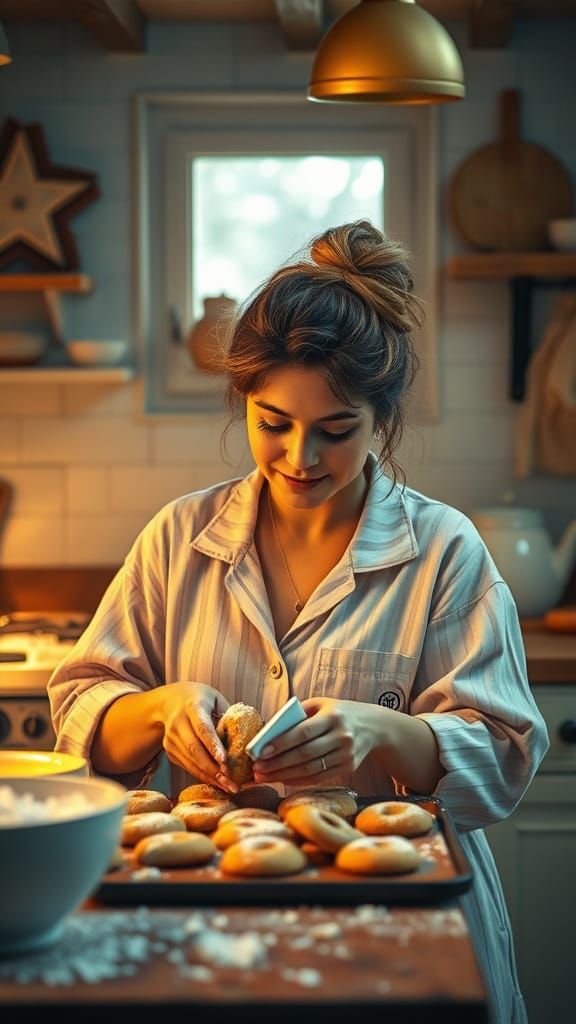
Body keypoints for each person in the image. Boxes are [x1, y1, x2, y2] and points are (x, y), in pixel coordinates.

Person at [48, 220, 548, 1023]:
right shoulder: (180, 539)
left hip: (402, 932)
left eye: (335, 431)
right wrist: (160, 709)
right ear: (244, 401)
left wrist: (382, 733)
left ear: (382, 419)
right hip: (201, 926)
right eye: (272, 422)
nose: (299, 457)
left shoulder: (445, 552)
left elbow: (505, 752)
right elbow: (79, 709)